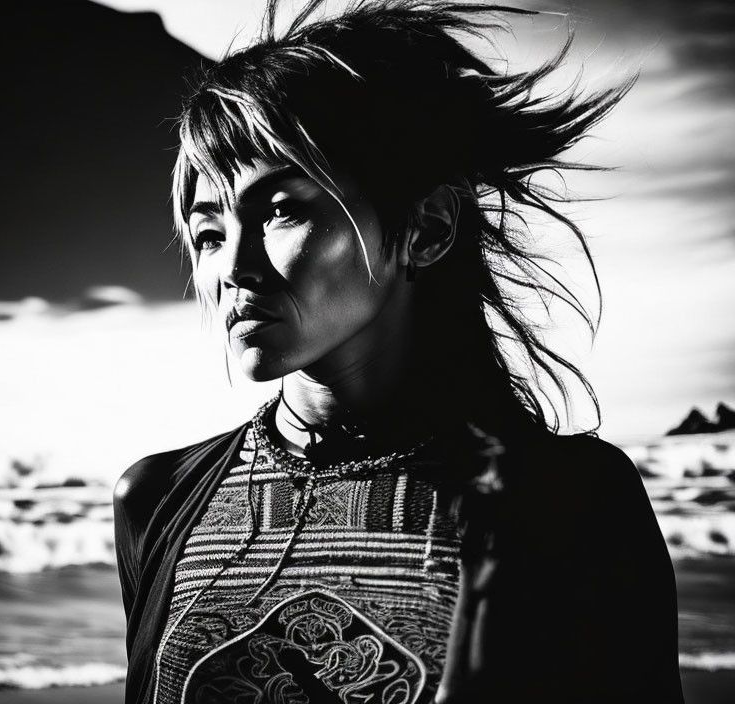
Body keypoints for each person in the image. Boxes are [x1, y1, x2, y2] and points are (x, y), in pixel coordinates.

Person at [114, 2, 684, 702]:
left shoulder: (569, 503)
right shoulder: (157, 502)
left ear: (427, 227)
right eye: (207, 233)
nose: (233, 266)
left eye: (282, 210)